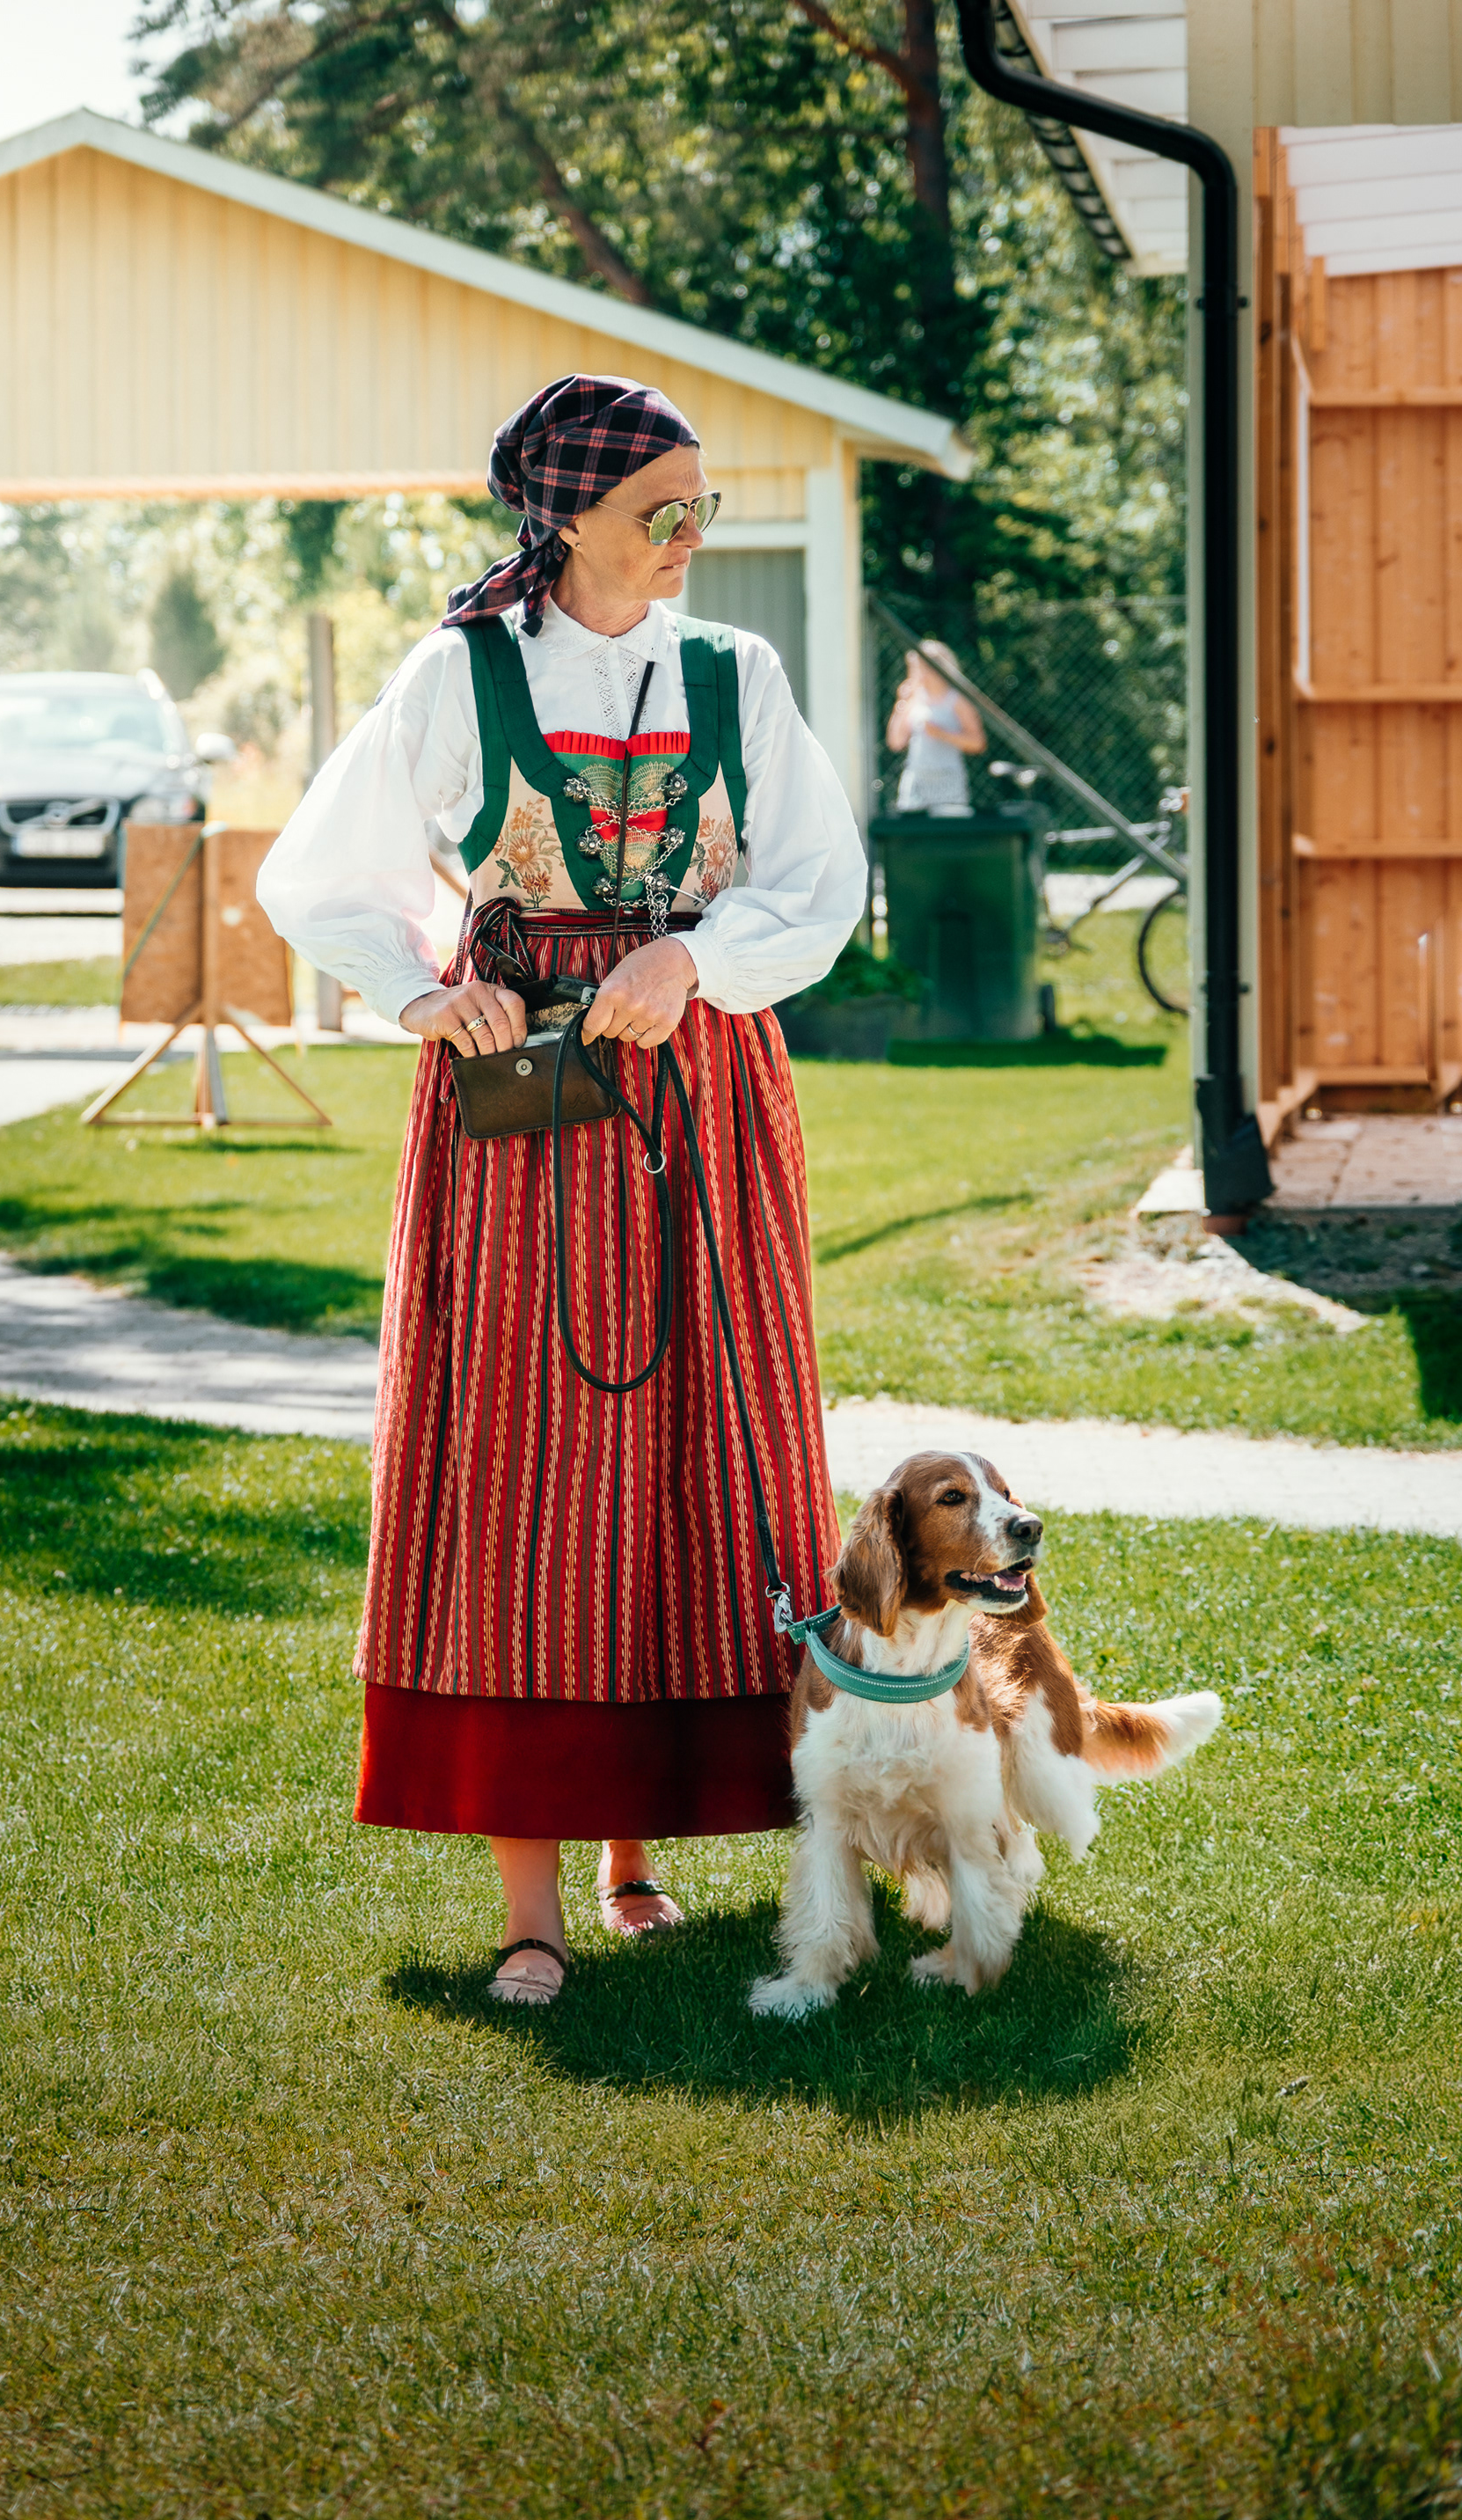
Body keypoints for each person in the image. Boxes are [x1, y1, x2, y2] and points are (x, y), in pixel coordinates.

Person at [256, 374, 865, 2006]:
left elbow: (821, 880)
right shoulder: (459, 673)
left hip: (703, 1091)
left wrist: (696, 960)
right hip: (521, 1109)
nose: (689, 535)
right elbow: (318, 874)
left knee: (691, 1449)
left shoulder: (736, 671)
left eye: (702, 505)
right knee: (526, 1466)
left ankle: (636, 1852)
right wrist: (419, 991)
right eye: (661, 509)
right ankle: (531, 1904)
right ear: (568, 517)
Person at [886, 641, 985, 815]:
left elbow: (978, 743)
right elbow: (896, 742)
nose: (916, 672)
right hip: (917, 782)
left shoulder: (957, 700)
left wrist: (942, 734)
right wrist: (901, 702)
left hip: (947, 781)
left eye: (921, 666)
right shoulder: (913, 699)